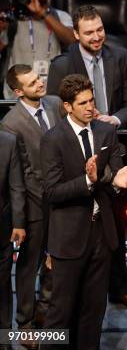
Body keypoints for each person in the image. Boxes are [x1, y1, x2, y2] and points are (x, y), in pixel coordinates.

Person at [46, 5, 127, 312]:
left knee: (114, 226)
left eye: (100, 29)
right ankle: (64, 297)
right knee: (76, 225)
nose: (96, 36)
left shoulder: (121, 56)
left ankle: (119, 289)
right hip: (74, 156)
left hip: (114, 152)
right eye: (88, 32)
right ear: (75, 34)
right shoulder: (62, 63)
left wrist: (114, 119)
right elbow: (54, 108)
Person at [40, 73, 127, 350]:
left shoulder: (106, 131)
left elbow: (115, 172)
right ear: (67, 106)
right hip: (69, 237)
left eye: (91, 100)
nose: (89, 107)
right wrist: (88, 181)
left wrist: (117, 181)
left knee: (94, 311)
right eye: (82, 103)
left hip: (101, 233)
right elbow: (52, 191)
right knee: (60, 312)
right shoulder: (53, 139)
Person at [1, 65, 62, 335]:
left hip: (63, 199)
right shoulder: (10, 123)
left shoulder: (55, 103)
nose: (40, 83)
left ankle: (45, 310)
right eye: (32, 82)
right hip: (35, 204)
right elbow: (21, 172)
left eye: (38, 78)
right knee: (29, 267)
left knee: (56, 260)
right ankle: (24, 322)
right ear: (18, 91)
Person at [1, 0, 76, 99]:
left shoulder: (61, 16)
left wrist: (42, 13)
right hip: (18, 95)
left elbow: (72, 41)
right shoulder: (14, 19)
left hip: (52, 93)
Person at [0, 131, 25, 350]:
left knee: (3, 284)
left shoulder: (8, 141)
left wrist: (19, 223)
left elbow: (16, 186)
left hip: (2, 227)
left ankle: (4, 338)